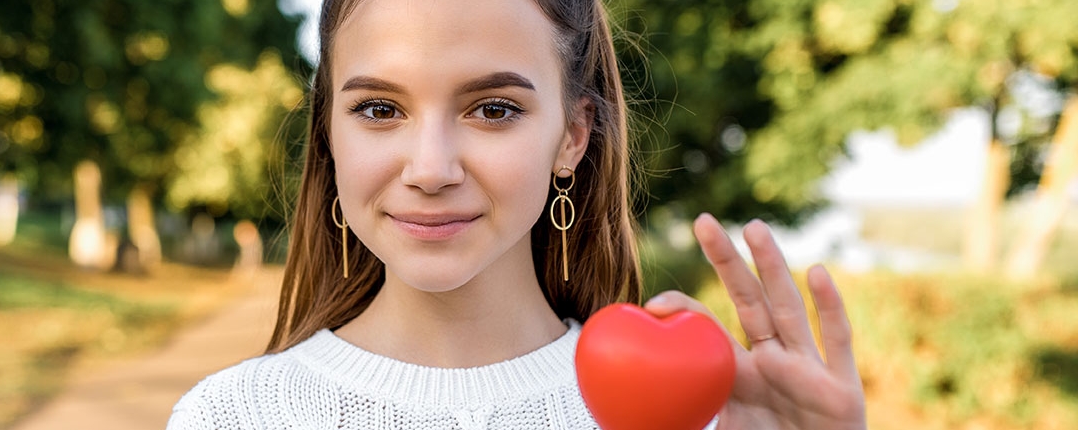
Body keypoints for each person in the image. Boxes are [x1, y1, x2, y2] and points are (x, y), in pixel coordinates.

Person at [168, 0, 867, 428]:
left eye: (493, 109)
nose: (432, 169)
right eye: (379, 110)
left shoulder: (689, 419)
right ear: (327, 132)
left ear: (573, 136)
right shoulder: (231, 418)